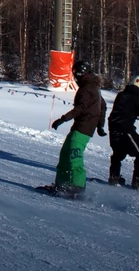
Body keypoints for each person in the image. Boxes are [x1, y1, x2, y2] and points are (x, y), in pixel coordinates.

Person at [48, 60, 107, 196]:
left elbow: (80, 108)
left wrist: (62, 119)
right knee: (65, 154)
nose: (74, 77)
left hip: (83, 128)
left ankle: (77, 187)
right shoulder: (92, 86)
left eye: (75, 74)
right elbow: (102, 106)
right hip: (81, 127)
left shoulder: (87, 89)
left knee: (74, 157)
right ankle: (62, 184)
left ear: (81, 73)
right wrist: (100, 125)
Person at [107, 76, 139, 189]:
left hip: (113, 129)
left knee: (118, 154)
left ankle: (114, 177)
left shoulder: (121, 95)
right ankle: (138, 181)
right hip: (125, 130)